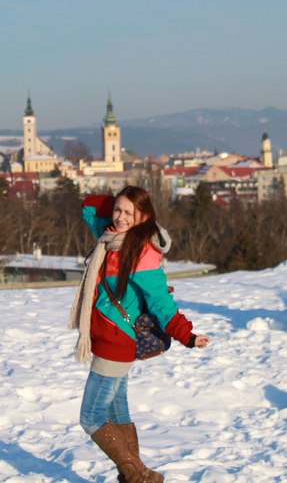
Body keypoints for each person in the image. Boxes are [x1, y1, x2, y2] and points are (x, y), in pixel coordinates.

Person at [69, 185, 211, 483]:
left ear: (143, 217)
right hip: (109, 338)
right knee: (118, 412)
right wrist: (122, 203)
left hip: (115, 341)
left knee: (91, 417)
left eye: (127, 213)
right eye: (117, 210)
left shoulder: (142, 253)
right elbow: (88, 206)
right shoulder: (110, 237)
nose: (119, 217)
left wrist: (188, 335)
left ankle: (139, 476)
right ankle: (131, 475)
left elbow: (162, 303)